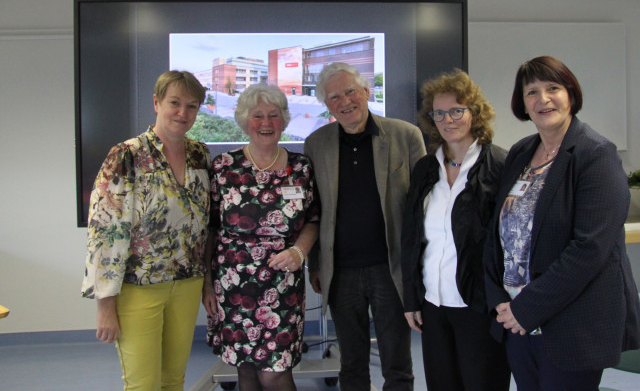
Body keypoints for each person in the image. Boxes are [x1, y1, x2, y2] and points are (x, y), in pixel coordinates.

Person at [484, 56, 640, 391]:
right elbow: (497, 231)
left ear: (570, 94)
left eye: (552, 88)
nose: (543, 99)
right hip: (517, 323)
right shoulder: (520, 153)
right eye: (532, 92)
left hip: (571, 325)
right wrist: (497, 296)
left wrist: (526, 308)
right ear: (522, 104)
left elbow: (591, 249)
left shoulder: (596, 154)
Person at [82, 70, 210, 390]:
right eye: (175, 103)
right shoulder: (127, 154)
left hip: (187, 283)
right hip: (137, 287)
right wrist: (105, 305)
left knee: (173, 380)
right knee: (143, 385)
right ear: (156, 102)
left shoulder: (200, 154)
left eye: (192, 106)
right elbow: (104, 232)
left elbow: (205, 225)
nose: (183, 113)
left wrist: (208, 280)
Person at [304, 62, 426, 391]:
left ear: (366, 92)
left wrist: (418, 270)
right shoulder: (316, 144)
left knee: (397, 363)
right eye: (334, 97)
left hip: (391, 270)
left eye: (350, 91)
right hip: (341, 273)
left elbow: (422, 208)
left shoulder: (406, 135)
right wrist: (315, 264)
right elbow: (313, 210)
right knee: (352, 364)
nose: (344, 101)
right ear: (327, 105)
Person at [203, 83, 320, 391]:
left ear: (283, 119)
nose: (266, 123)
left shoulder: (301, 168)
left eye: (273, 115)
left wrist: (299, 252)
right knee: (247, 371)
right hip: (233, 285)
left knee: (275, 372)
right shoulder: (223, 167)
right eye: (257, 116)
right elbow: (211, 229)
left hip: (281, 285)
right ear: (245, 120)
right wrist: (206, 284)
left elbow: (313, 219)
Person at [401, 69, 511, 391]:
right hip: (433, 305)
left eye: (456, 111)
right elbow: (412, 238)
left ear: (474, 113)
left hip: (479, 305)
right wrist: (411, 298)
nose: (447, 119)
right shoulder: (425, 168)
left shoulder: (499, 166)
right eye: (439, 113)